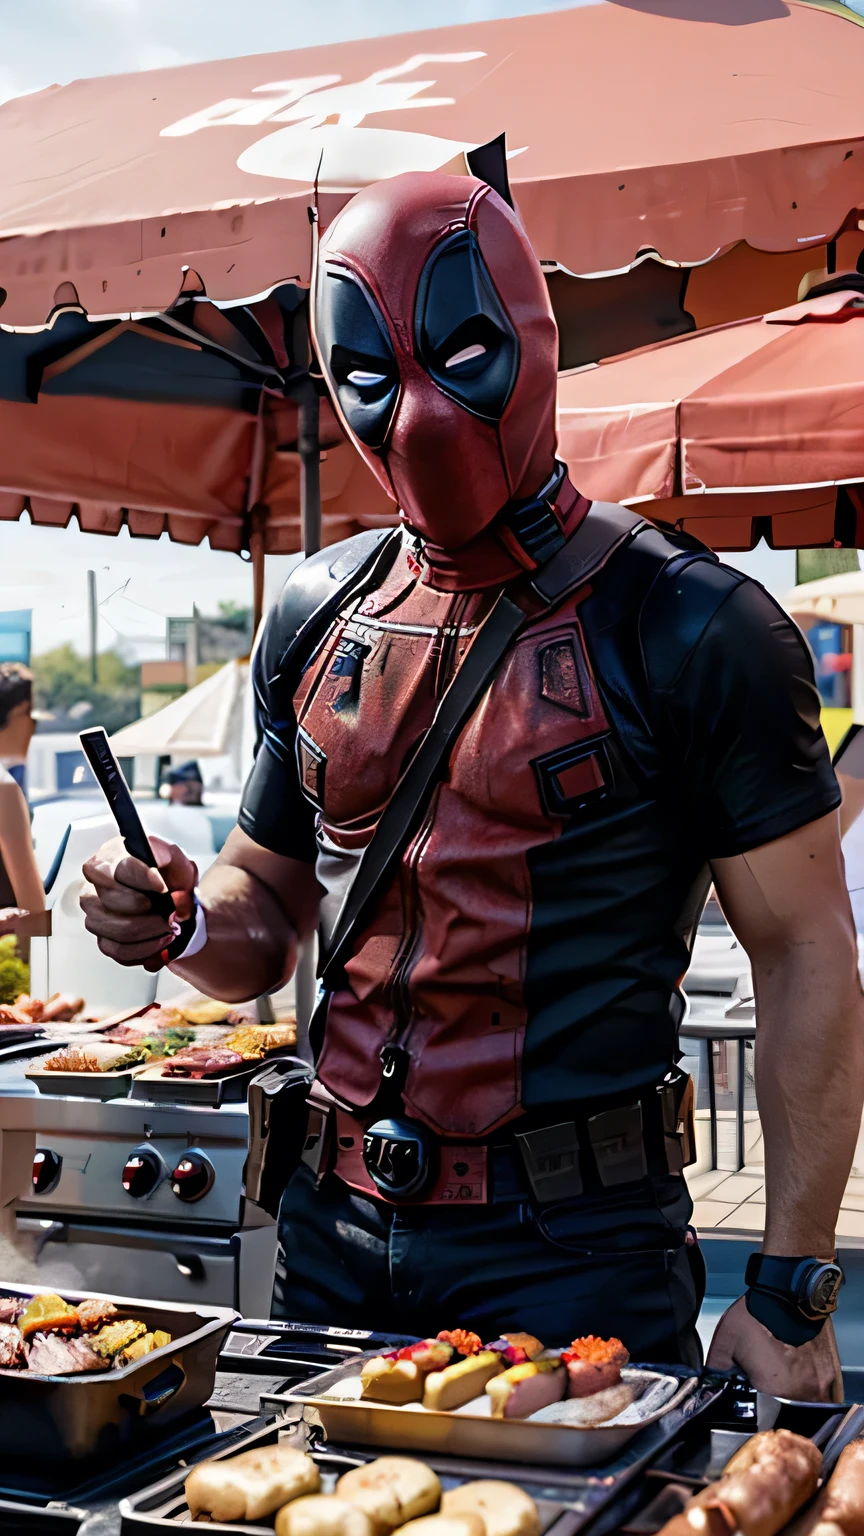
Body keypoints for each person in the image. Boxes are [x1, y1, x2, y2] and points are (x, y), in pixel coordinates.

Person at [80, 170, 863, 1400]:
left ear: (529, 338)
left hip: (575, 1253)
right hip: (333, 1235)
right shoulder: (320, 613)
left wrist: (790, 1286)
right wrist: (177, 918)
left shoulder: (694, 627)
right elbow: (262, 913)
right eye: (375, 378)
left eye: (462, 352)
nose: (424, 414)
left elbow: (809, 952)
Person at [0, 664, 47, 935]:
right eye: (32, 715)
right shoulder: (4, 788)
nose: (34, 727)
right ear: (17, 713)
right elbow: (34, 914)